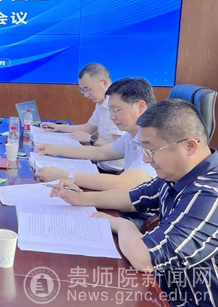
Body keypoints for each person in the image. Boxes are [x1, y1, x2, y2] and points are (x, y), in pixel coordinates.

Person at [51, 99, 218, 306]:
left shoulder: (209, 194)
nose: (146, 160)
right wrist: (82, 198)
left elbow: (144, 258)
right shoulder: (178, 173)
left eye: (151, 151)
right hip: (161, 286)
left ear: (189, 147)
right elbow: (132, 198)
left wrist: (122, 224)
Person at [34, 78, 156, 191]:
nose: (112, 117)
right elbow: (100, 152)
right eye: (111, 111)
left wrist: (65, 176)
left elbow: (125, 183)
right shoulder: (131, 135)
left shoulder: (155, 140)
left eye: (116, 110)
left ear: (140, 107)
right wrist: (55, 149)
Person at [41, 63, 125, 173]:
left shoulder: (116, 109)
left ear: (104, 83)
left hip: (114, 171)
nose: (86, 95)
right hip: (100, 164)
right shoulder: (101, 104)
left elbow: (119, 149)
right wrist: (58, 127)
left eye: (88, 89)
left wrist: (92, 139)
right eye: (83, 90)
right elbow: (88, 128)